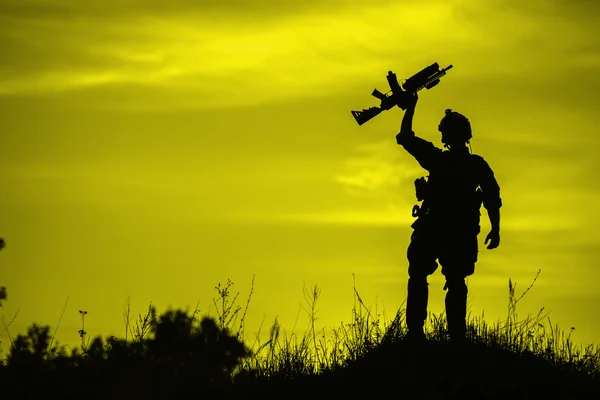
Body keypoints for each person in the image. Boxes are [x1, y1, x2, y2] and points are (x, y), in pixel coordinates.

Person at [395, 92, 501, 345]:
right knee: (452, 281)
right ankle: (454, 336)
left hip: (436, 229)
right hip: (458, 232)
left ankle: (418, 334)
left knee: (423, 276)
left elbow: (405, 137)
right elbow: (492, 198)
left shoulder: (438, 160)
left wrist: (411, 107)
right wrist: (495, 229)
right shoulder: (475, 164)